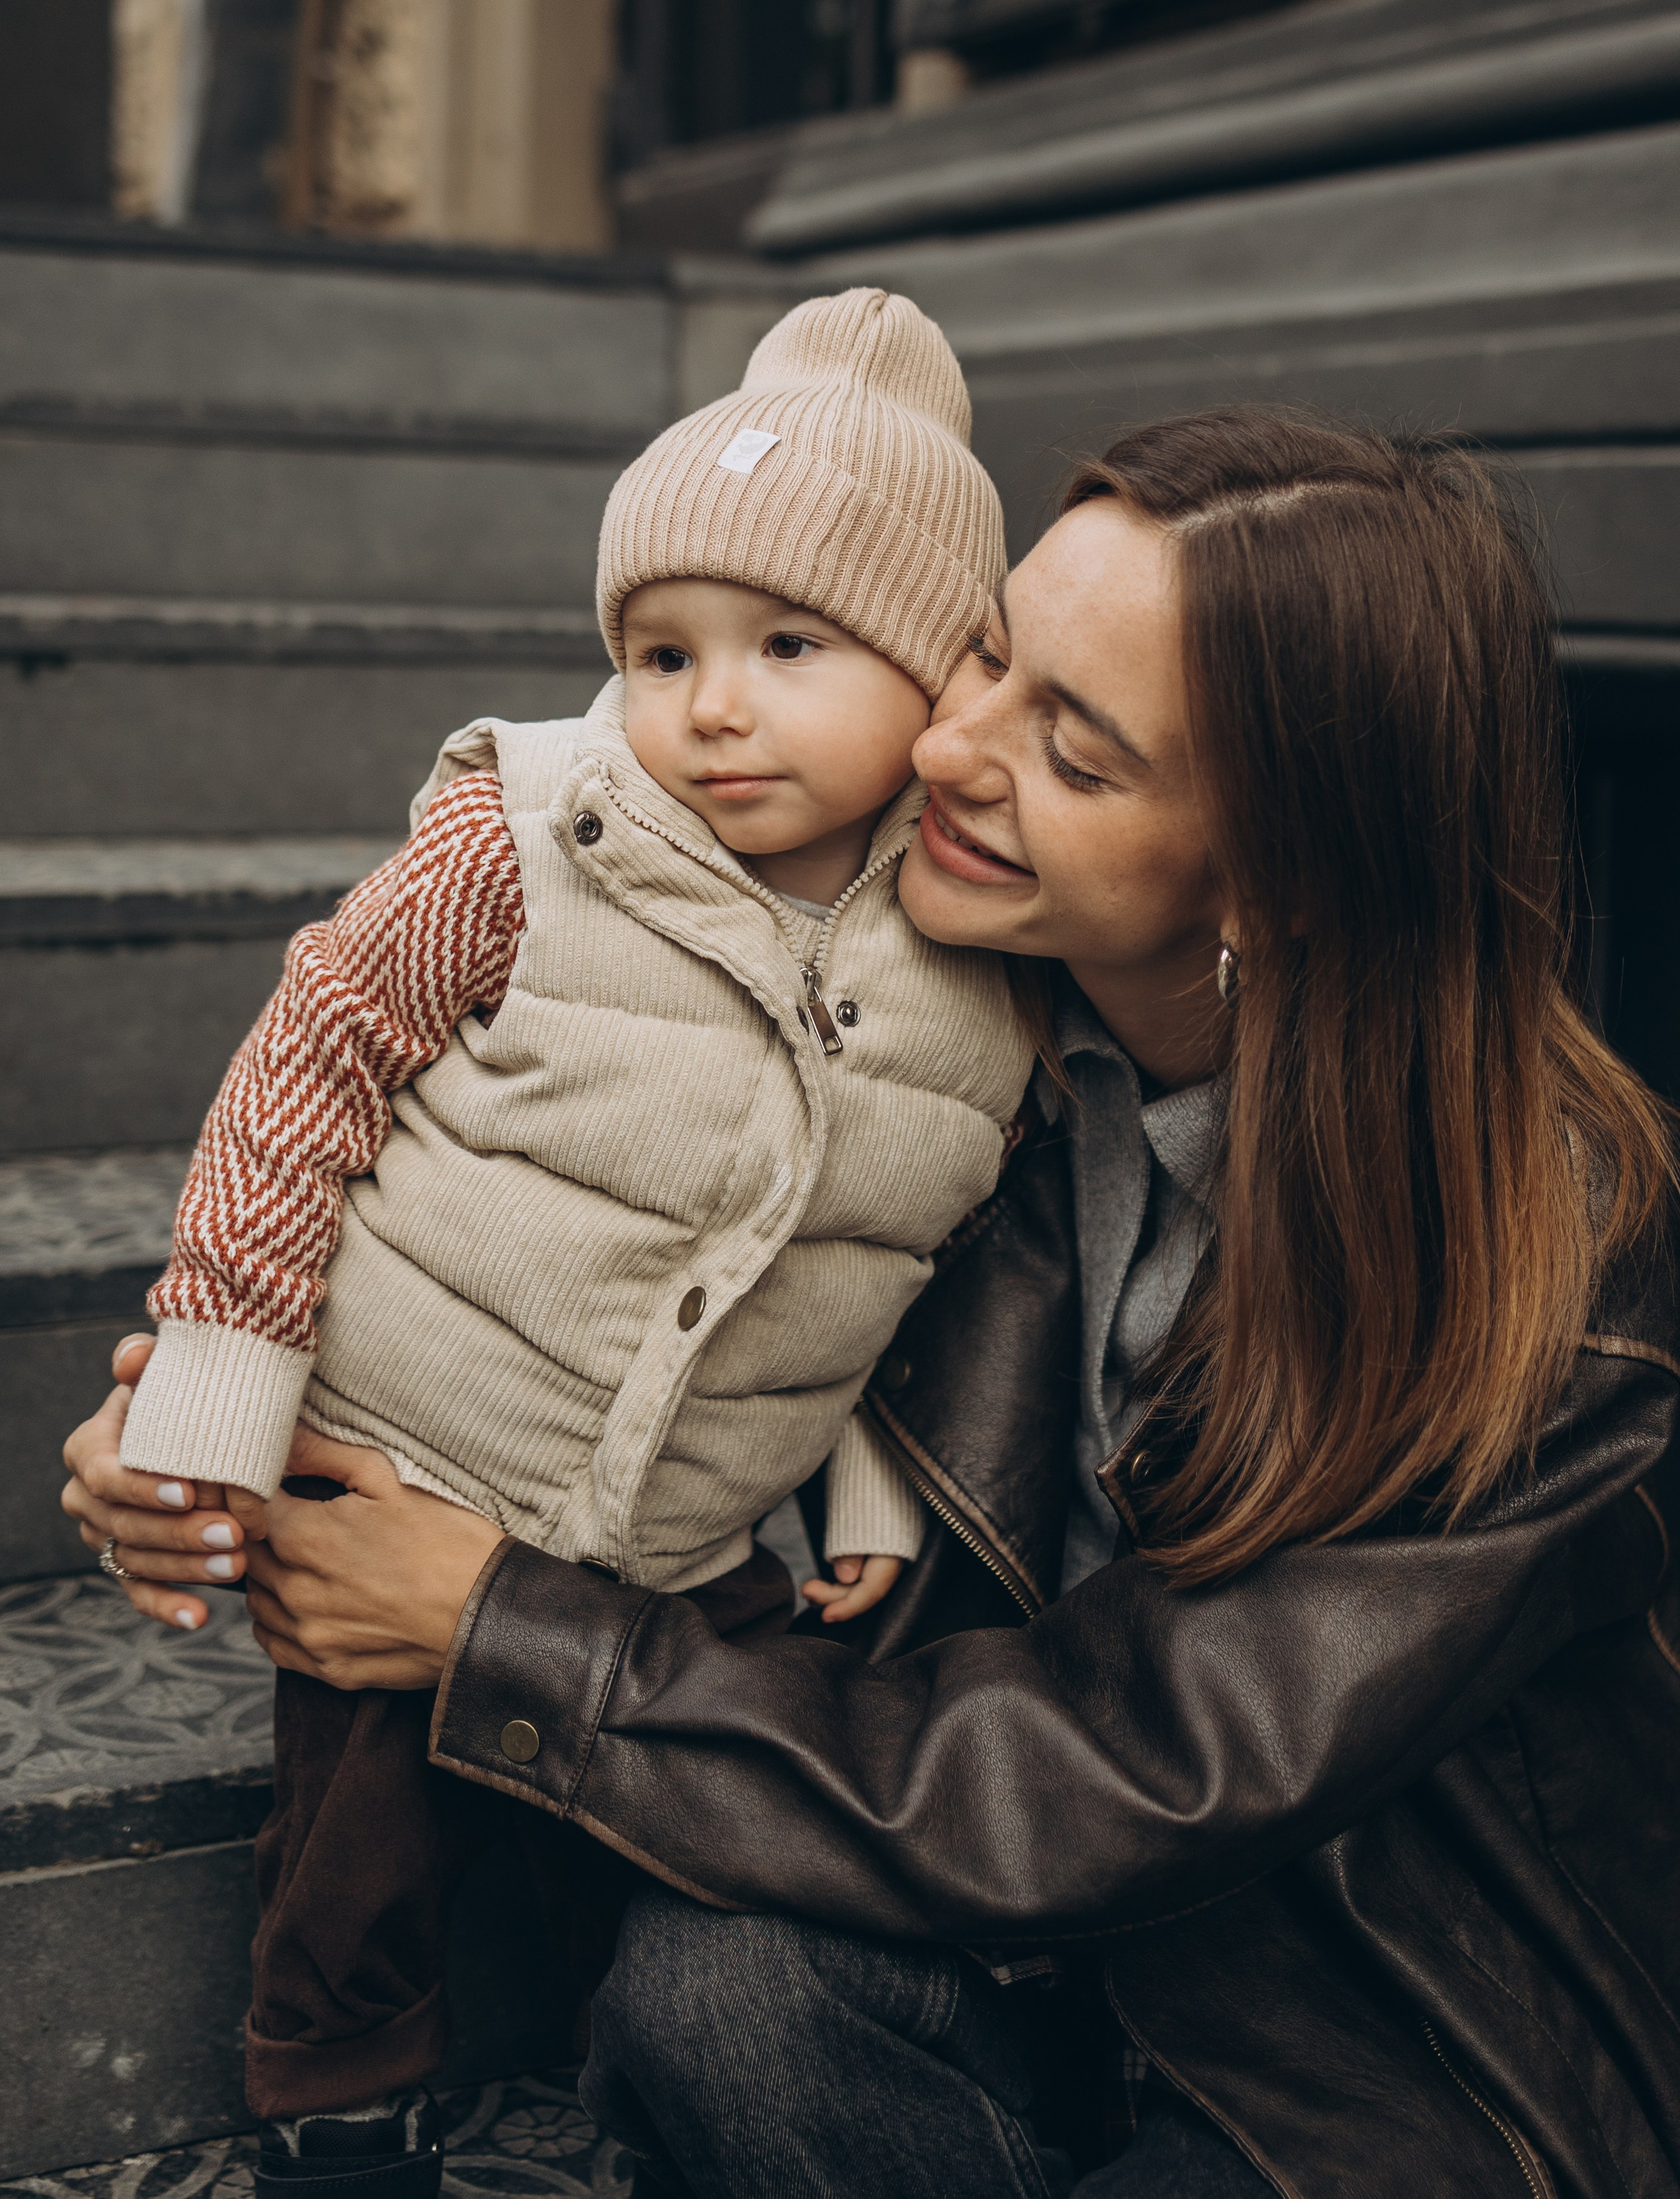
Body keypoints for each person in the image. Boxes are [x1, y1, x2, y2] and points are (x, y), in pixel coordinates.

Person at [67, 410, 1680, 2199]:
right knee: (715, 1997)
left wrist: (499, 1629)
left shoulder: (1541, 1238)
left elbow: (1139, 1772)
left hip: (1364, 2038)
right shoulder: (952, 1038)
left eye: (1075, 758)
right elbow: (594, 1287)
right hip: (986, 1921)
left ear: (1286, 872)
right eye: (990, 655)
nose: (945, 743)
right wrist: (228, 1418)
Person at [95, 287, 1032, 2182]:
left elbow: (873, 1232)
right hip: (411, 1450)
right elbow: (315, 1060)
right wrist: (216, 1373)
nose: (713, 702)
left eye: (790, 644)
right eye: (662, 647)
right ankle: (339, 2112)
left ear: (941, 680)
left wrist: (869, 1479)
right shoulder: (528, 829)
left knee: (692, 1804)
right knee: (356, 1856)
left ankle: (642, 2073)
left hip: (691, 1520)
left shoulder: (976, 966)